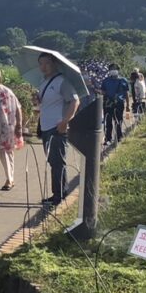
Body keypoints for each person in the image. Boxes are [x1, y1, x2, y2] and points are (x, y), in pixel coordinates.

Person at [37, 53, 80, 205]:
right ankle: (58, 192)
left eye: (46, 63)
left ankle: (59, 194)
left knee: (57, 162)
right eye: (41, 64)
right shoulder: (44, 82)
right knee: (52, 161)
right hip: (46, 126)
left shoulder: (62, 82)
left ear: (54, 64)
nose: (43, 67)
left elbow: (74, 101)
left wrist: (65, 121)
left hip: (56, 127)